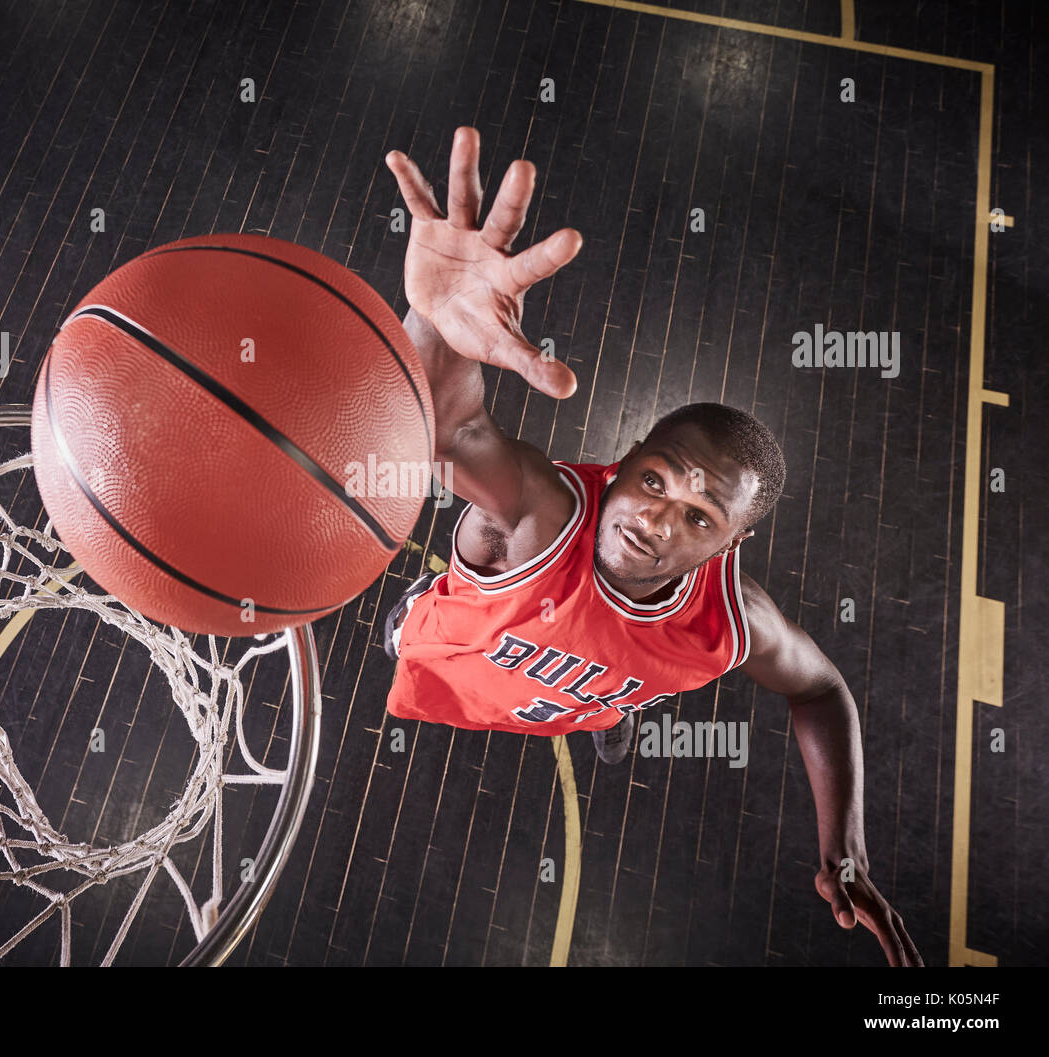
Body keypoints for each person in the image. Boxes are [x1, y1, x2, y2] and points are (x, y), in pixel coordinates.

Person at [381, 126, 922, 967]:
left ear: (729, 548)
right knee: (418, 638)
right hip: (460, 665)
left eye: (702, 519)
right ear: (623, 459)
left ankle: (608, 710)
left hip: (575, 688)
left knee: (609, 698)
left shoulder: (734, 620)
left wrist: (845, 843)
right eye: (657, 480)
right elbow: (450, 428)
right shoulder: (535, 515)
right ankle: (425, 623)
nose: (661, 518)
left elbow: (822, 692)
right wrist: (437, 320)